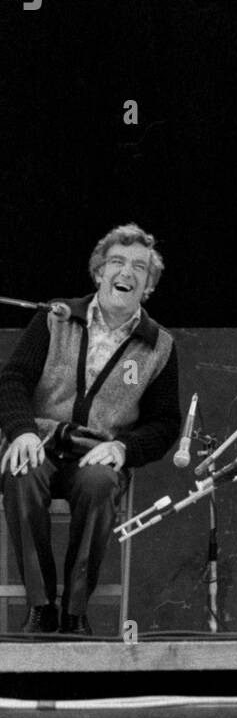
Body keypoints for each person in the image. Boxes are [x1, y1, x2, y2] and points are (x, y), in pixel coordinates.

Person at [0, 223, 180, 634]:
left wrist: (123, 449)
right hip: (40, 444)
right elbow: (13, 381)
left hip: (95, 454)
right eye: (117, 262)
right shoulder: (55, 318)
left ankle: (75, 612)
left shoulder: (160, 346)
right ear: (99, 273)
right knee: (20, 472)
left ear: (148, 286)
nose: (127, 272)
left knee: (101, 484)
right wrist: (22, 431)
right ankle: (41, 608)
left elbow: (166, 424)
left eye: (139, 267)